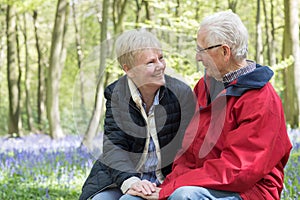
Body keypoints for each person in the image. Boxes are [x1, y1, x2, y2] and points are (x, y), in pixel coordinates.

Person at [125, 11, 292, 200]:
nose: (197, 57)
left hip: (249, 191)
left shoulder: (261, 100)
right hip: (200, 181)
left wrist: (172, 189)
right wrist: (166, 187)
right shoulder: (204, 87)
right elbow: (188, 154)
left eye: (202, 50)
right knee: (131, 199)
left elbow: (239, 170)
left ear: (224, 52)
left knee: (184, 196)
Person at [79, 29, 196, 200]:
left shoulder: (181, 93)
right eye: (150, 62)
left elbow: (188, 149)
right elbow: (114, 146)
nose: (160, 66)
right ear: (129, 70)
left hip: (167, 179)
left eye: (161, 58)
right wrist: (131, 181)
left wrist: (169, 186)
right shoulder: (116, 94)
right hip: (124, 176)